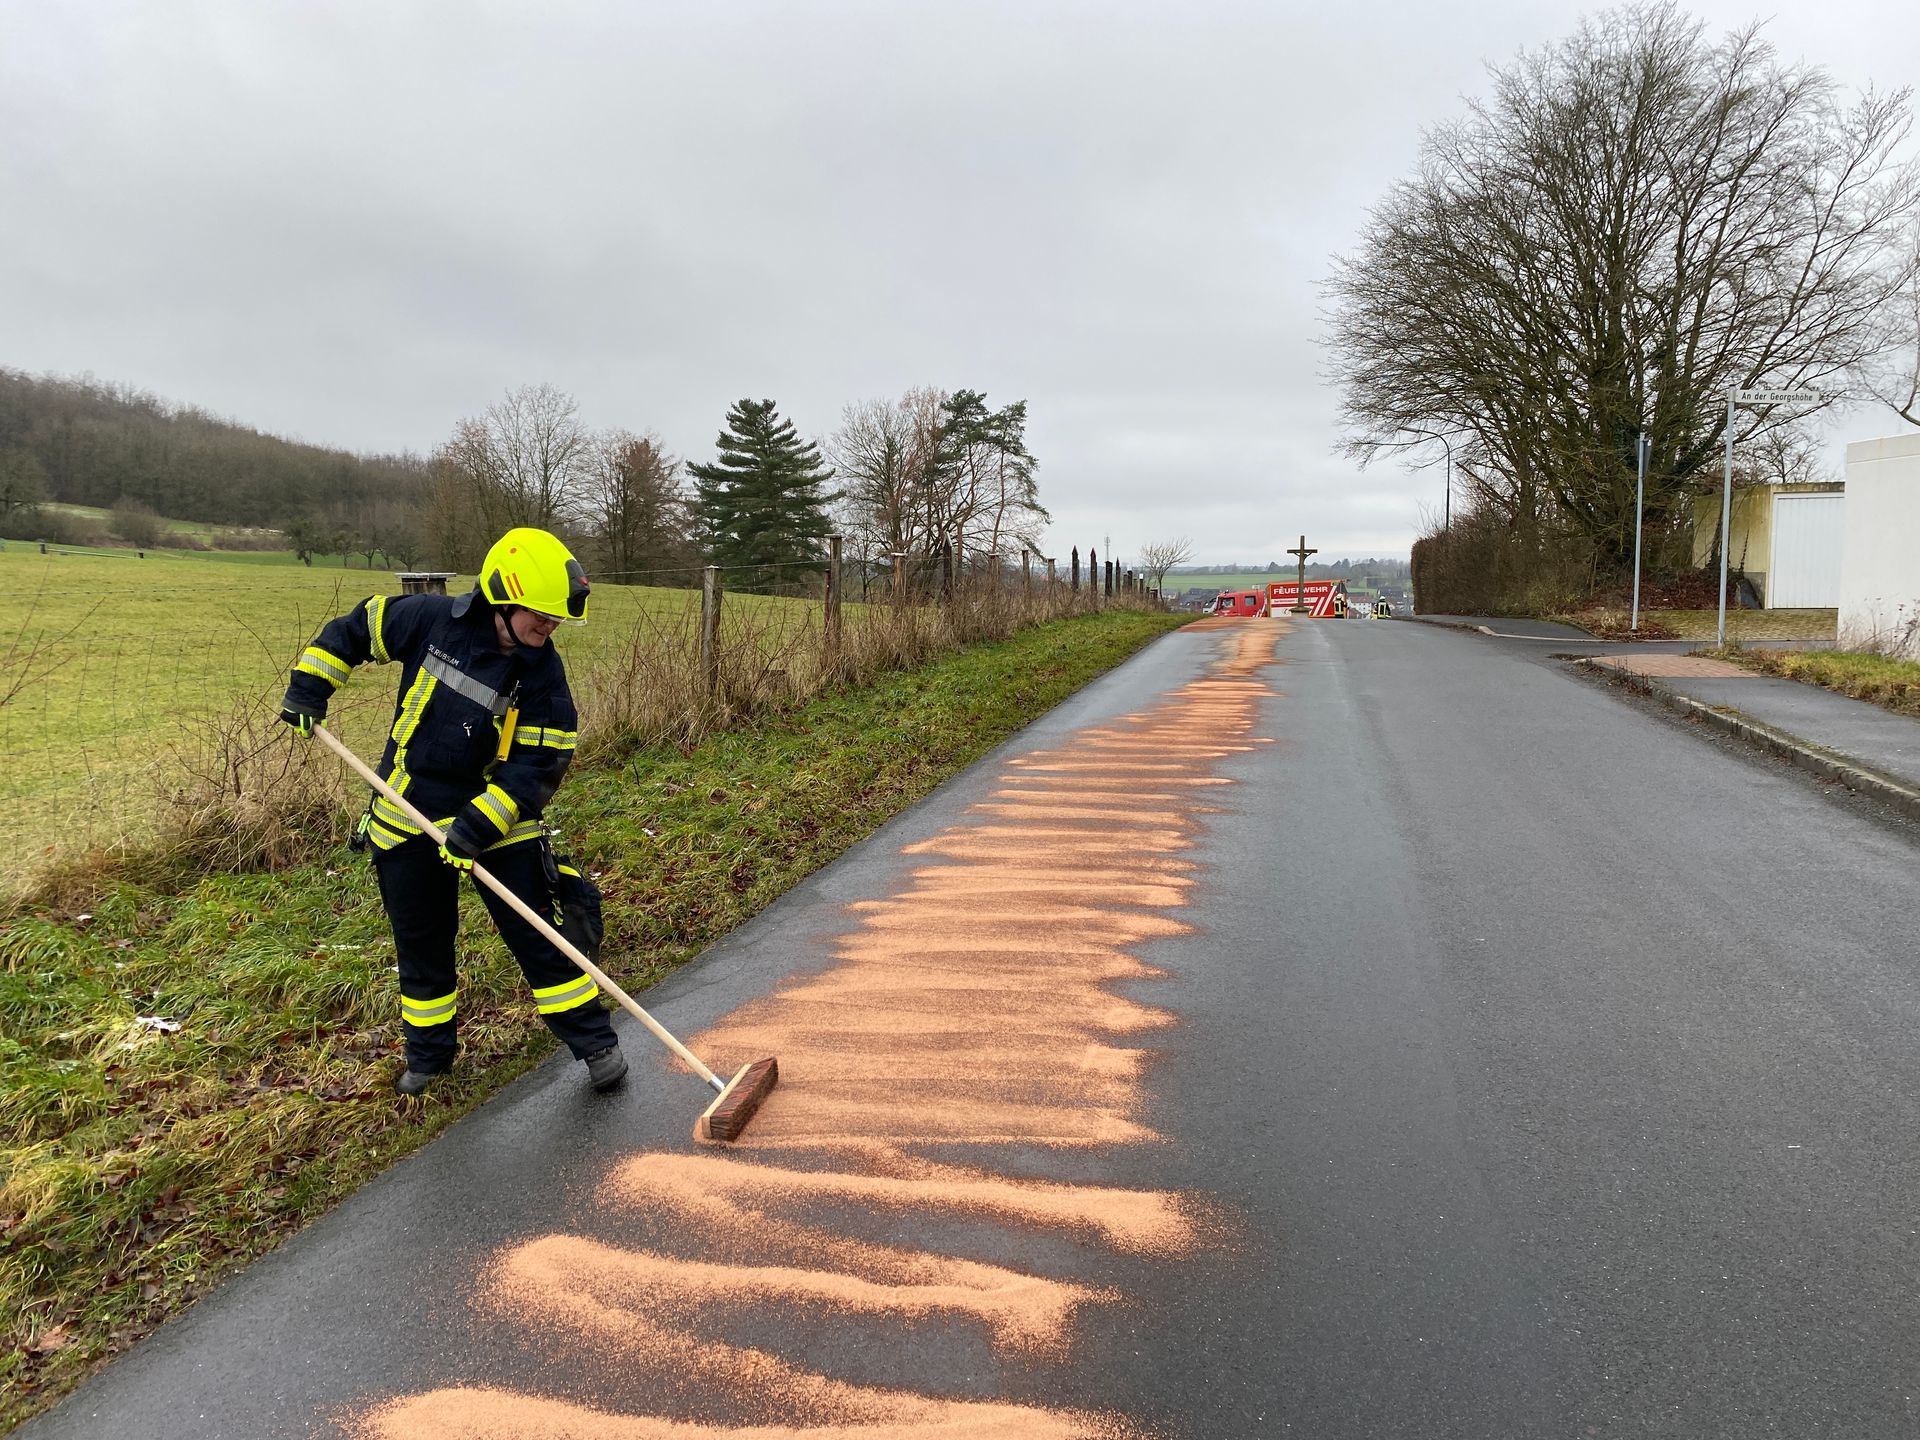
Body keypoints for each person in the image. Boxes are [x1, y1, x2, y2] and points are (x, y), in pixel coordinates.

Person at [279, 527, 626, 1096]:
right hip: (405, 812)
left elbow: (539, 764)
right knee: (421, 945)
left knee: (540, 935)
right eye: (540, 614)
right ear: (503, 598)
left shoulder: (544, 675)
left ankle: (596, 1045)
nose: (550, 626)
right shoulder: (430, 620)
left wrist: (477, 827)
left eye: (555, 618)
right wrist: (308, 689)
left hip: (496, 820)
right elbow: (356, 630)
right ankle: (429, 1058)